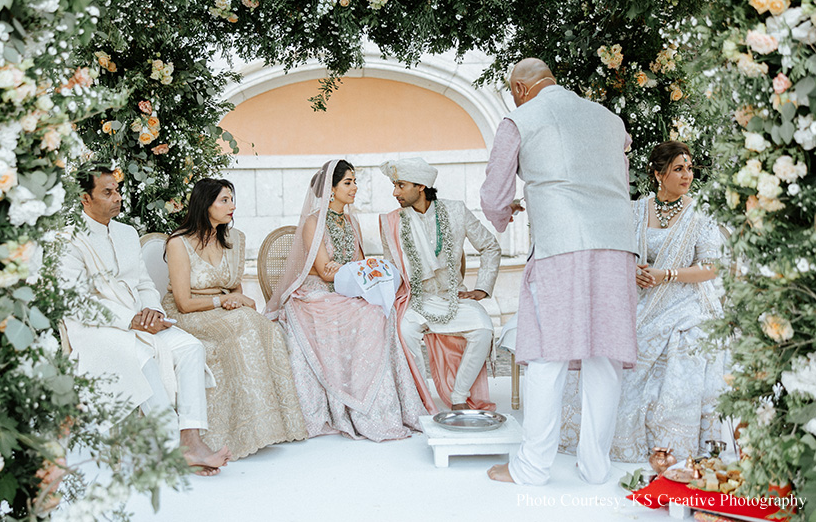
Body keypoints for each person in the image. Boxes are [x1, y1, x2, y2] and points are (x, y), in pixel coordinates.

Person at [480, 58, 638, 485]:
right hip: (617, 243)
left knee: (546, 354)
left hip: (561, 245)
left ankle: (532, 467)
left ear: (518, 87)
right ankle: (595, 467)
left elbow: (495, 195)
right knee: (603, 356)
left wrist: (502, 214)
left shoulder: (519, 118)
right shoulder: (609, 119)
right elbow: (617, 182)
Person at [559, 141, 727, 462]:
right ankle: (600, 431)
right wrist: (631, 270)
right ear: (657, 174)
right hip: (636, 296)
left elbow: (710, 267)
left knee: (688, 335)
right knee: (603, 333)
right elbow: (614, 252)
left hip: (683, 298)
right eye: (679, 168)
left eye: (689, 168)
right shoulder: (636, 209)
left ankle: (667, 439)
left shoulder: (700, 214)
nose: (687, 175)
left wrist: (667, 274)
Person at [59, 165, 229, 475]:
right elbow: (76, 302)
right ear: (85, 198)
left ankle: (191, 441)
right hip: (96, 328)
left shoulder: (126, 233)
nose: (117, 197)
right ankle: (169, 450)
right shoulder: (68, 239)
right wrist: (130, 319)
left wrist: (153, 312)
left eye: (118, 191)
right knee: (141, 357)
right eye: (107, 192)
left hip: (142, 318)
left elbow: (144, 285)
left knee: (191, 348)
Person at [265, 159, 426, 441]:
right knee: (365, 314)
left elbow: (356, 264)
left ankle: (379, 407)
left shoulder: (352, 221)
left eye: (355, 182)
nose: (354, 188)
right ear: (331, 188)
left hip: (346, 288)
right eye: (348, 183)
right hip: (314, 293)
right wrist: (345, 271)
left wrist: (357, 271)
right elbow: (324, 270)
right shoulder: (314, 223)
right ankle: (351, 404)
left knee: (379, 312)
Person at [162, 178, 308, 460]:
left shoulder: (234, 239)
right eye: (224, 200)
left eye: (232, 199)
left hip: (223, 307)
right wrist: (224, 301)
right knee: (243, 329)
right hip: (191, 313)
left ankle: (272, 424)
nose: (233, 206)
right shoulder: (179, 243)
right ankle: (238, 432)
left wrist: (237, 299)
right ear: (205, 205)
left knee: (265, 328)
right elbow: (182, 302)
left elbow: (235, 287)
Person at [378, 157, 500, 412]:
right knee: (405, 331)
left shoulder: (456, 211)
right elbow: (392, 268)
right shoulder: (391, 221)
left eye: (401, 185)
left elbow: (490, 246)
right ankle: (420, 398)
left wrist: (482, 288)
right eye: (394, 185)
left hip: (452, 296)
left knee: (483, 329)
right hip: (417, 299)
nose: (395, 192)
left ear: (420, 186)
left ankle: (459, 396)